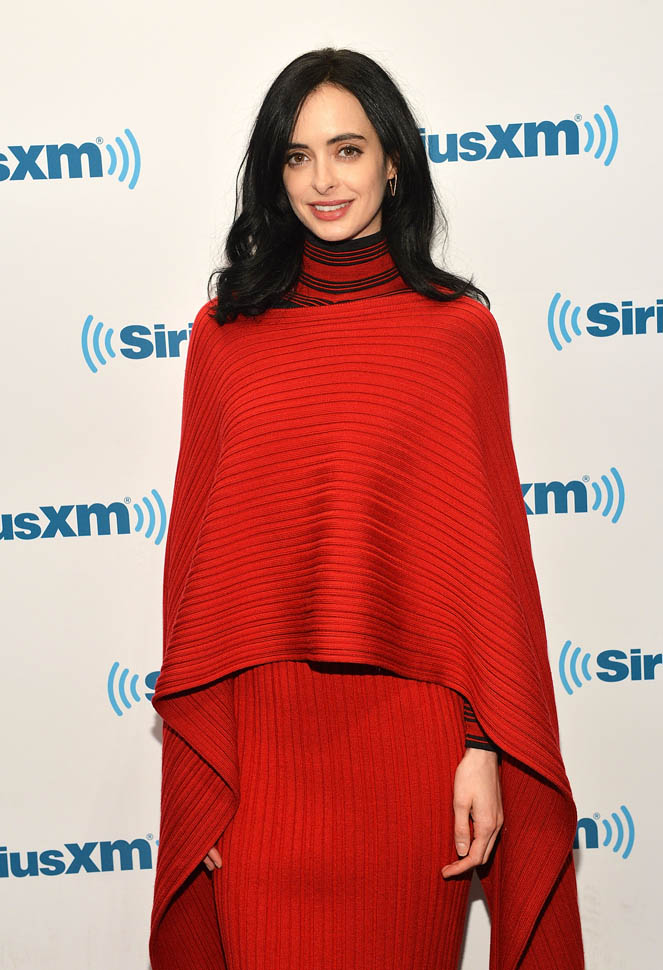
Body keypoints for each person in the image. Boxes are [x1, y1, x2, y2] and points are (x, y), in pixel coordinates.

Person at [149, 47, 585, 970]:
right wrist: (204, 772)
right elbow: (196, 572)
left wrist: (481, 749)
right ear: (274, 176)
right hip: (264, 749)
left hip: (411, 751)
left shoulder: (458, 335)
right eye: (297, 156)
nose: (323, 179)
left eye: (346, 150)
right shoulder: (223, 337)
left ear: (393, 162)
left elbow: (488, 573)